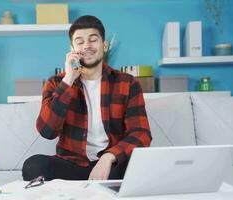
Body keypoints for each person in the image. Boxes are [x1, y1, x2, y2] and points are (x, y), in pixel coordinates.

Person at [22, 15, 151, 181]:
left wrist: (109, 157)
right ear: (72, 48)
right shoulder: (56, 82)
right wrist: (68, 80)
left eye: (93, 40)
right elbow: (47, 131)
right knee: (34, 166)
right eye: (80, 41)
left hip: (110, 165)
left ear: (104, 46)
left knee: (139, 168)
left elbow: (141, 133)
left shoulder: (127, 83)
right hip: (71, 164)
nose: (87, 46)